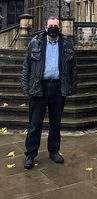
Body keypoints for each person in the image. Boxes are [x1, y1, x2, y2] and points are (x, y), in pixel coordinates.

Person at [21, 16, 77, 169]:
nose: (53, 28)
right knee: (34, 124)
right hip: (39, 88)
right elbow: (26, 66)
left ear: (60, 28)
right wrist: (26, 87)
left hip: (58, 88)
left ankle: (54, 151)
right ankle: (30, 154)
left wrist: (71, 86)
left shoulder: (66, 43)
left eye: (56, 25)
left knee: (55, 123)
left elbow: (73, 68)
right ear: (46, 28)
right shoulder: (35, 42)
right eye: (51, 25)